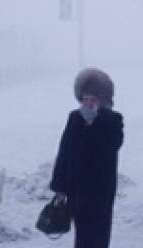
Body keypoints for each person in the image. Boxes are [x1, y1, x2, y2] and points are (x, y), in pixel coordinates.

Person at [50, 68, 123, 248]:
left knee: (99, 231)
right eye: (85, 100)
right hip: (78, 189)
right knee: (83, 232)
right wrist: (59, 184)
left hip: (101, 189)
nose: (88, 104)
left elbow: (113, 145)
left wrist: (97, 121)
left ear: (102, 100)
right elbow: (65, 150)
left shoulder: (112, 120)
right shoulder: (75, 118)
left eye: (93, 100)